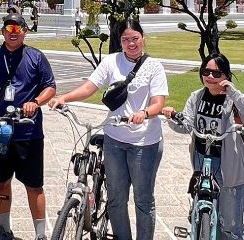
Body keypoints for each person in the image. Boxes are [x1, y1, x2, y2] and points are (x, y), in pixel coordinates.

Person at [49, 20, 167, 240]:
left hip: (144, 142)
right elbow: (89, 87)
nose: (131, 44)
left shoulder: (154, 66)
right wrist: (64, 98)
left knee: (143, 200)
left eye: (135, 38)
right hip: (114, 138)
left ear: (143, 38)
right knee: (115, 198)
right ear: (120, 41)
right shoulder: (112, 61)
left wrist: (145, 113)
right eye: (125, 40)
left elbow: (158, 102)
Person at [163, 54, 244, 240]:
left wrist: (234, 93)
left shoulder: (233, 99)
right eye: (206, 71)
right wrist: (171, 117)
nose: (210, 76)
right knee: (202, 212)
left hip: (229, 166)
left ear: (226, 75)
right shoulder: (197, 97)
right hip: (202, 162)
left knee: (230, 225)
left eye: (216, 73)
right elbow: (186, 125)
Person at [0, 14, 56, 240]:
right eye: (9, 27)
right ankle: (4, 228)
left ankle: (40, 234)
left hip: (27, 130)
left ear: (25, 31)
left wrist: (36, 102)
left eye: (18, 28)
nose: (13, 31)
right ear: (3, 31)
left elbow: (50, 87)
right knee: (1, 183)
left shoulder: (36, 57)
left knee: (34, 185)